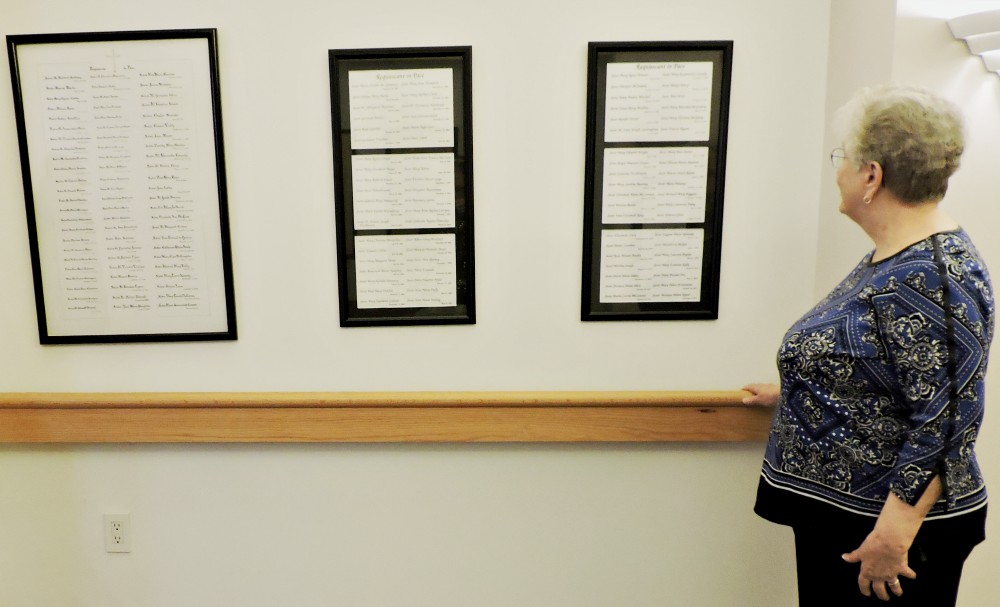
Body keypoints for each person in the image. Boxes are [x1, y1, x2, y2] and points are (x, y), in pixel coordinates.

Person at [743, 85, 993, 606]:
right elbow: (880, 361)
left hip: (886, 540)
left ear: (872, 175)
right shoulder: (894, 256)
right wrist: (802, 383)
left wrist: (893, 535)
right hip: (849, 520)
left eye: (844, 158)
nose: (838, 171)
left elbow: (949, 421)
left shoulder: (936, 275)